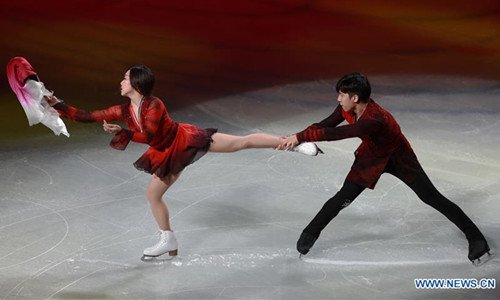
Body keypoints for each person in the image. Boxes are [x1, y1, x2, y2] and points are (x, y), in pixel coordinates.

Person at [45, 64, 320, 261]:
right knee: (153, 195)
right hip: (165, 151)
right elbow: (87, 116)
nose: (121, 81)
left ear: (137, 84)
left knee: (241, 143)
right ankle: (169, 240)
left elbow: (151, 134)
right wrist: (57, 104)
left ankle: (290, 143)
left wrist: (124, 133)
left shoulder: (155, 105)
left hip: (184, 141)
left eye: (125, 78)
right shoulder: (123, 110)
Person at [279, 72, 492, 266]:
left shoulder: (374, 119)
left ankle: (476, 238)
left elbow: (337, 134)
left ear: (354, 97)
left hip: (399, 157)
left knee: (431, 197)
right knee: (343, 197)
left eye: (341, 94)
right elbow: (325, 124)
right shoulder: (347, 109)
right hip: (371, 156)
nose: (338, 99)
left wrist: (299, 137)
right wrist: (296, 137)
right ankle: (310, 233)